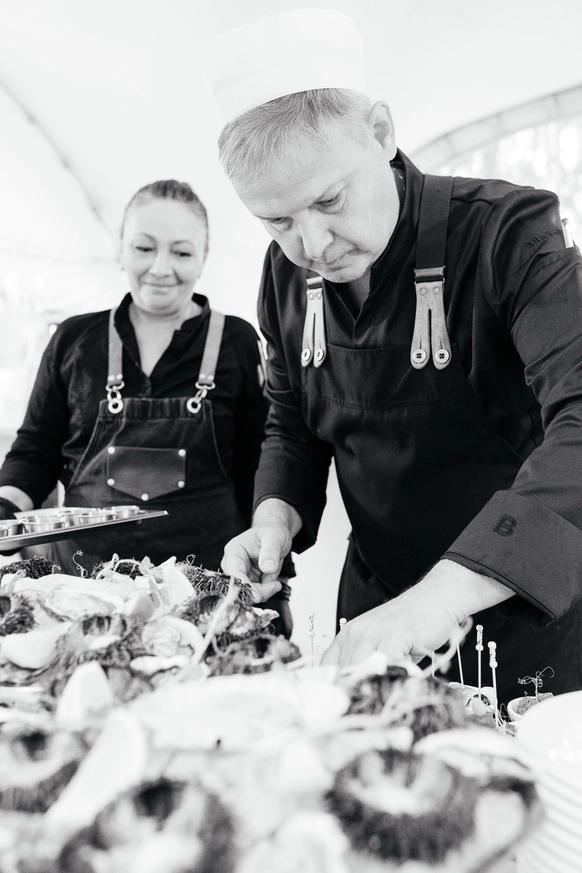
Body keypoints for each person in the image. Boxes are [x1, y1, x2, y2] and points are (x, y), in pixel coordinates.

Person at [196, 9, 582, 704]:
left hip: (524, 617)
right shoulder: (284, 275)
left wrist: (441, 597)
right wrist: (275, 515)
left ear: (380, 133)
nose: (313, 246)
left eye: (330, 199)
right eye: (277, 221)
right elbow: (292, 423)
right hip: (375, 612)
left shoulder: (508, 235)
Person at [0, 180, 291, 632]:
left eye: (181, 252)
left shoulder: (236, 341)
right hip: (80, 599)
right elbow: (35, 452)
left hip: (206, 602)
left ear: (203, 258)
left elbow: (262, 464)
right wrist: (5, 510)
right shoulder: (75, 340)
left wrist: (278, 576)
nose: (160, 268)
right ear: (120, 249)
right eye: (144, 248)